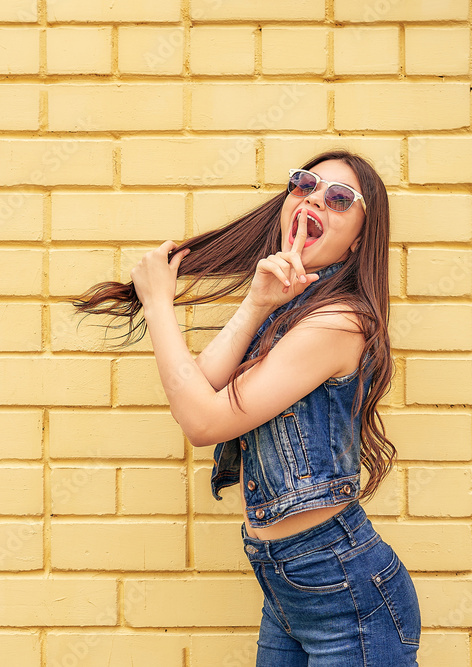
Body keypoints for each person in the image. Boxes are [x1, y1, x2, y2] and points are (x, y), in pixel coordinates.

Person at [71, 150, 421, 665]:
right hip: (287, 585)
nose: (315, 199)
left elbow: (202, 421)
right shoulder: (289, 305)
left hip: (345, 594)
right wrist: (257, 302)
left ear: (361, 236)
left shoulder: (339, 322)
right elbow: (200, 386)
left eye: (340, 198)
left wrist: (159, 305)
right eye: (304, 185)